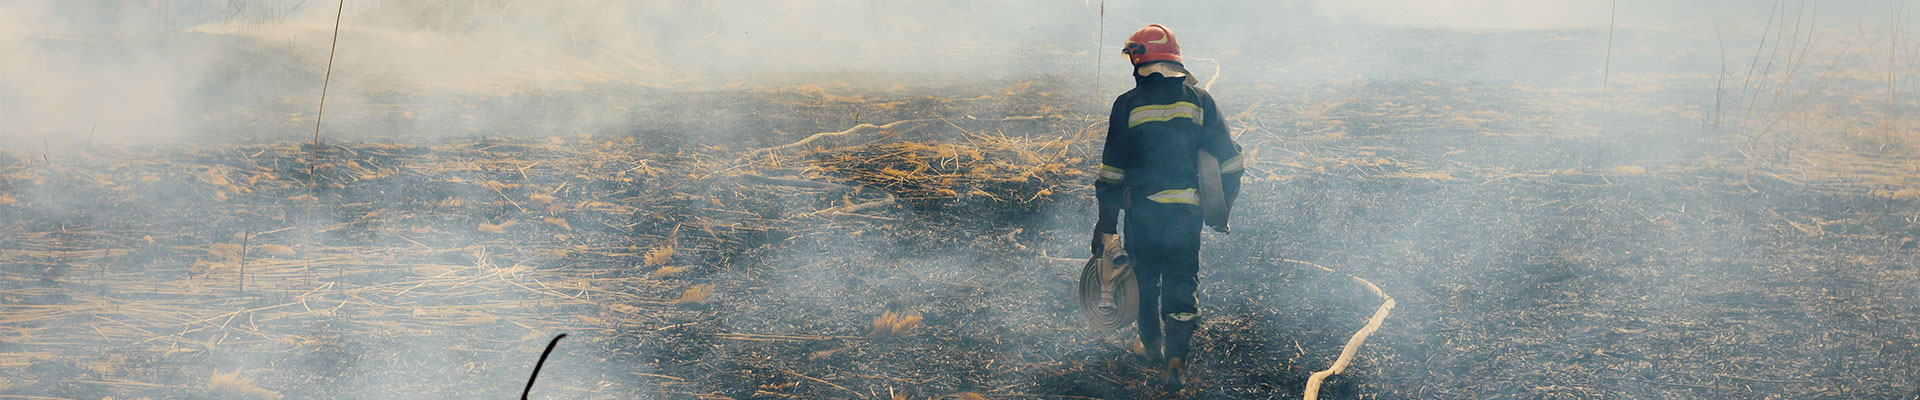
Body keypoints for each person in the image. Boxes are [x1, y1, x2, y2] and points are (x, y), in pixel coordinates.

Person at [1091, 24, 1244, 392]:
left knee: (1145, 282)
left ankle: (1152, 347)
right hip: (1186, 213)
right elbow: (1231, 163)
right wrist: (1219, 206)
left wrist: (1106, 225)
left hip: (1143, 213)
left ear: (1138, 61)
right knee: (1182, 280)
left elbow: (1111, 174)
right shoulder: (1200, 101)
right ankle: (1177, 357)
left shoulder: (1127, 105)